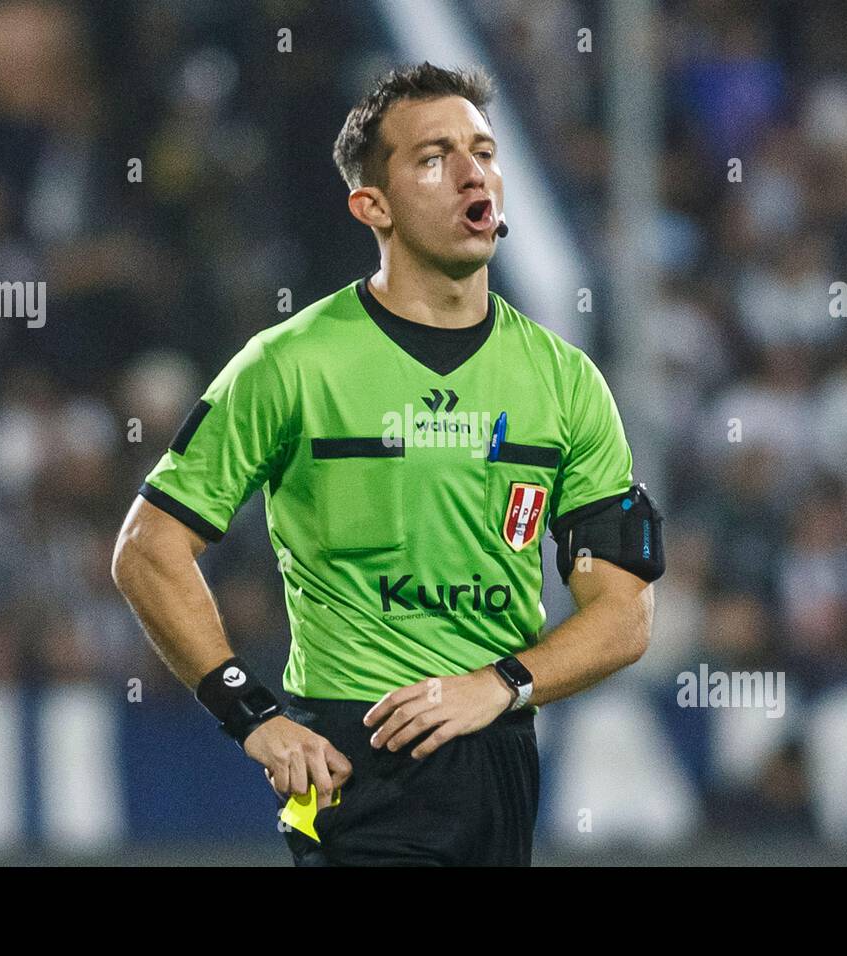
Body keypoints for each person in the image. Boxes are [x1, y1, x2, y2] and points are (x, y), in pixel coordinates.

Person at [112, 61, 664, 866]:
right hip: (353, 760)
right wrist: (252, 715)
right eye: (435, 157)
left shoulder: (564, 381)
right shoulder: (292, 364)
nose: (473, 171)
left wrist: (500, 684)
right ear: (374, 205)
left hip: (498, 759)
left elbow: (624, 614)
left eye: (483, 149)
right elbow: (147, 548)